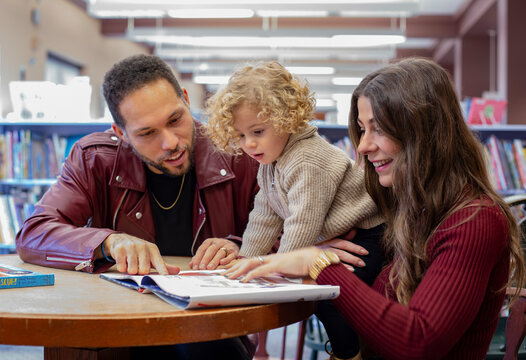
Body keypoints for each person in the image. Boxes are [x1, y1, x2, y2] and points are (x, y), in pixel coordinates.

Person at [224, 57, 526, 359]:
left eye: (378, 129)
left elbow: (418, 342)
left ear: (424, 131)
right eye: (361, 129)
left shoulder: (475, 220)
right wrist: (268, 255)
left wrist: (318, 263)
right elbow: (280, 220)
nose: (363, 146)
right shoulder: (411, 209)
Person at [15, 54, 262, 359]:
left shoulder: (239, 153)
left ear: (185, 100)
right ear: (121, 133)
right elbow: (34, 233)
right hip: (117, 327)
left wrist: (239, 245)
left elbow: (291, 237)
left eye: (176, 120)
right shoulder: (94, 158)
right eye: (147, 133)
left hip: (209, 328)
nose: (170, 142)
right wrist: (107, 242)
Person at [206, 61, 385, 359]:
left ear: (287, 119)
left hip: (367, 236)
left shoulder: (305, 159)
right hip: (332, 236)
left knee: (331, 298)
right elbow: (264, 216)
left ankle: (349, 354)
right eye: (240, 135)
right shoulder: (271, 162)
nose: (249, 144)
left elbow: (303, 223)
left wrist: (277, 266)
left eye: (258, 131)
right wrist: (247, 261)